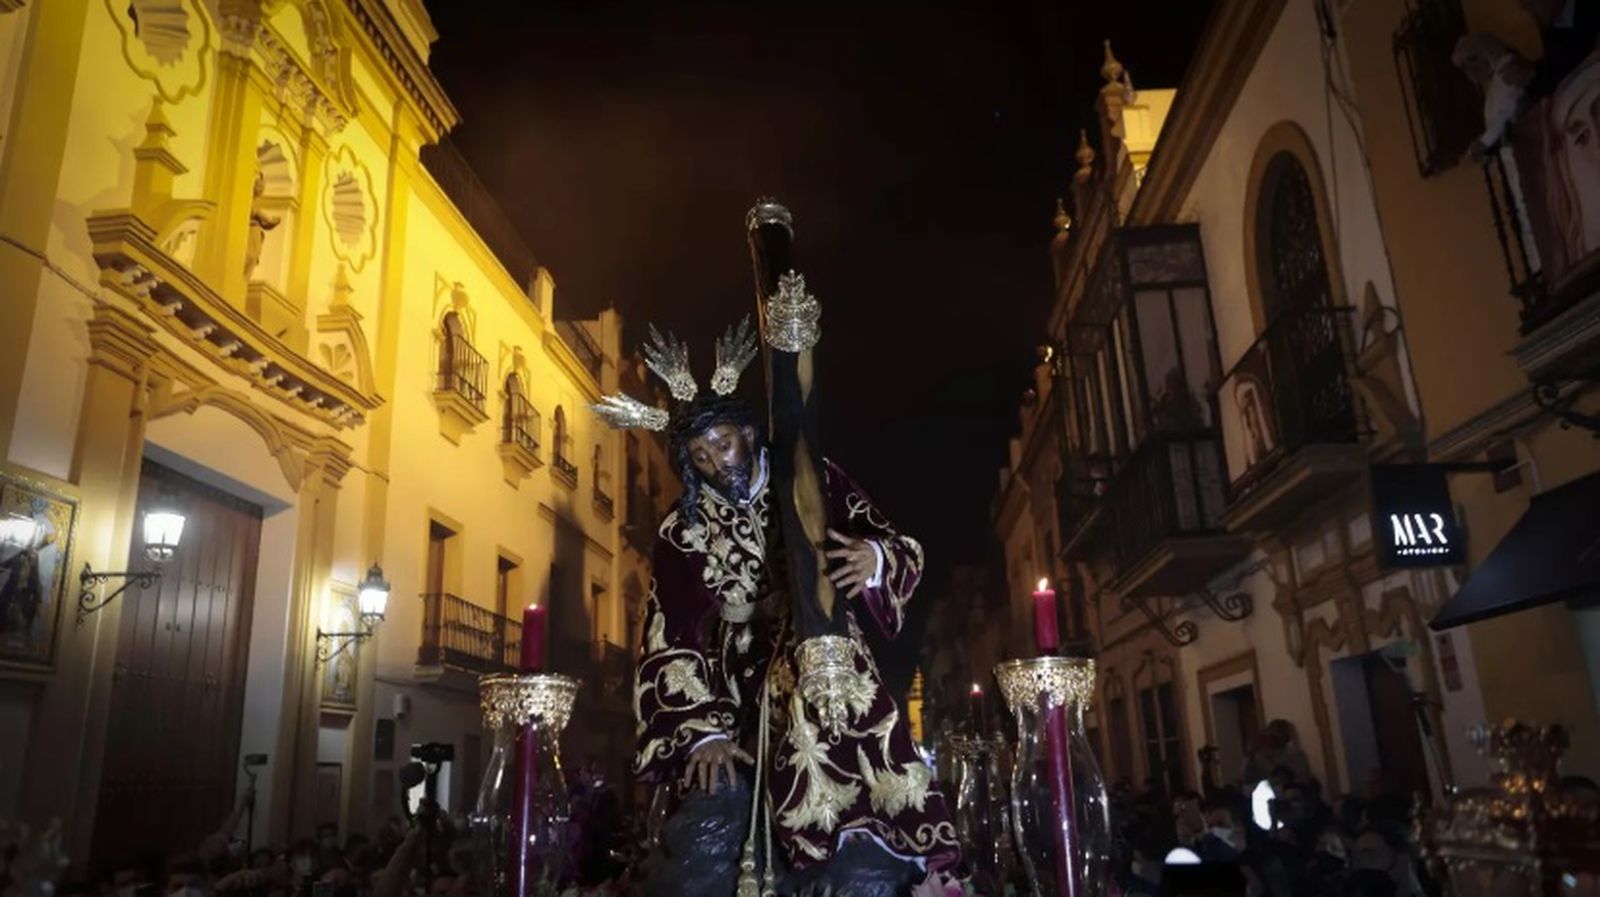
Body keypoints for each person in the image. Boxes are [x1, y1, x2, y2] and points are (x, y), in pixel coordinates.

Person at [595, 319, 958, 896]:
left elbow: (896, 543)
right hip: (732, 686)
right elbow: (670, 633)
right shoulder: (679, 530)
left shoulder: (812, 480)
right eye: (702, 457)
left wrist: (874, 558)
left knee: (854, 782)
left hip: (824, 659)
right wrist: (700, 732)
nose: (718, 464)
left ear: (747, 431)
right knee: (716, 816)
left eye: (724, 444)